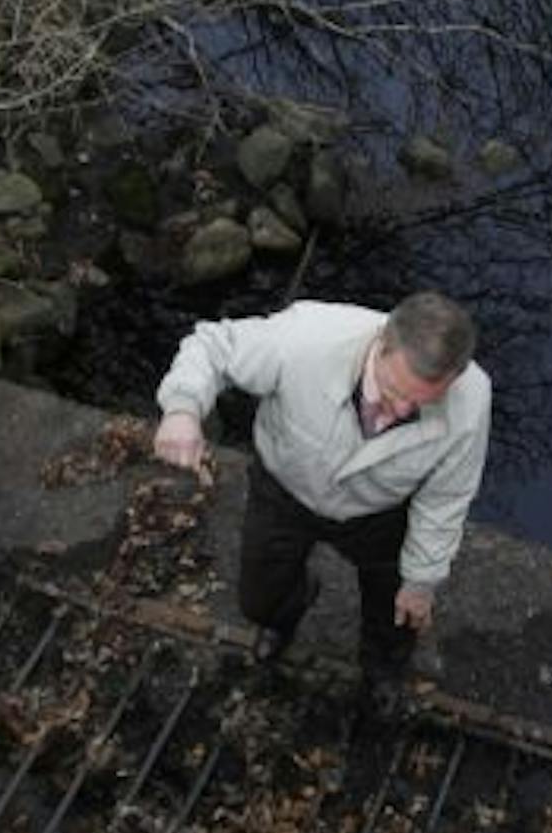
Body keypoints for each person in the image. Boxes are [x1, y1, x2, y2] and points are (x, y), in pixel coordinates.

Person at [152, 291, 489, 693]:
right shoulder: (306, 336)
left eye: (420, 403)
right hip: (284, 492)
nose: (398, 412)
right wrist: (182, 410)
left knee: (397, 612)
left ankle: (382, 670)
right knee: (259, 602)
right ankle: (285, 614)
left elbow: (446, 498)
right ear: (381, 345)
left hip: (379, 514)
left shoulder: (470, 399)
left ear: (453, 379)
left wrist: (422, 581)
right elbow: (213, 346)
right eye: (392, 390)